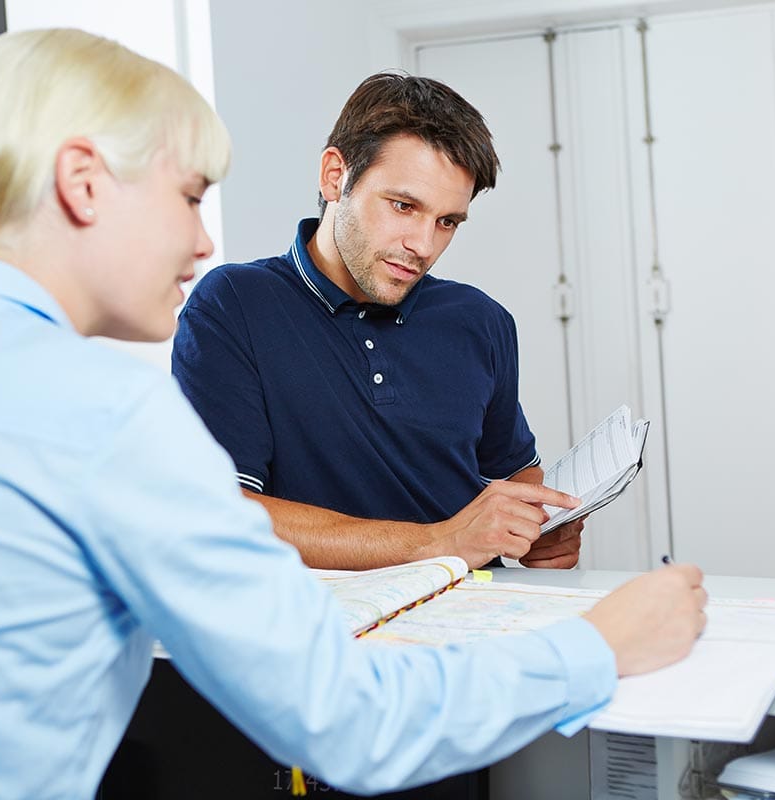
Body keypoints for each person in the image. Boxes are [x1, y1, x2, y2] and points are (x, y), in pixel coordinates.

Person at [0, 28, 708, 798]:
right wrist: (603, 645)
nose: (203, 239)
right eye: (186, 196)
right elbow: (347, 720)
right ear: (84, 184)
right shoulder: (101, 416)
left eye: (448, 222)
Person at [172, 72, 587, 571]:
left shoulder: (481, 319)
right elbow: (222, 511)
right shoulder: (234, 304)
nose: (424, 246)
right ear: (334, 176)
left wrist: (541, 534)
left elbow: (516, 478)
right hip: (332, 630)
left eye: (447, 222)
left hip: (482, 619)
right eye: (404, 206)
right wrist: (440, 543)